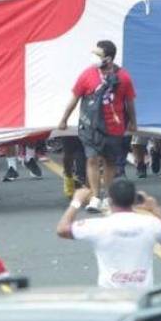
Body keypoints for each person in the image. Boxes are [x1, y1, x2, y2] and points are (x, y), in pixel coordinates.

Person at [56, 40, 136, 212]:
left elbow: (129, 103)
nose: (94, 57)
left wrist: (133, 123)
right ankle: (94, 196)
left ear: (108, 58)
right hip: (91, 127)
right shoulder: (87, 74)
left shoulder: (124, 77)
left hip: (114, 127)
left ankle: (108, 196)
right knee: (91, 159)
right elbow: (75, 98)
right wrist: (64, 119)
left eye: (98, 54)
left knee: (109, 161)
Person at [55, 179, 161, 289]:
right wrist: (156, 209)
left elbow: (62, 230)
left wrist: (76, 201)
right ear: (134, 199)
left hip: (110, 296)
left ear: (110, 200)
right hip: (141, 295)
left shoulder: (98, 226)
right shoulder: (151, 223)